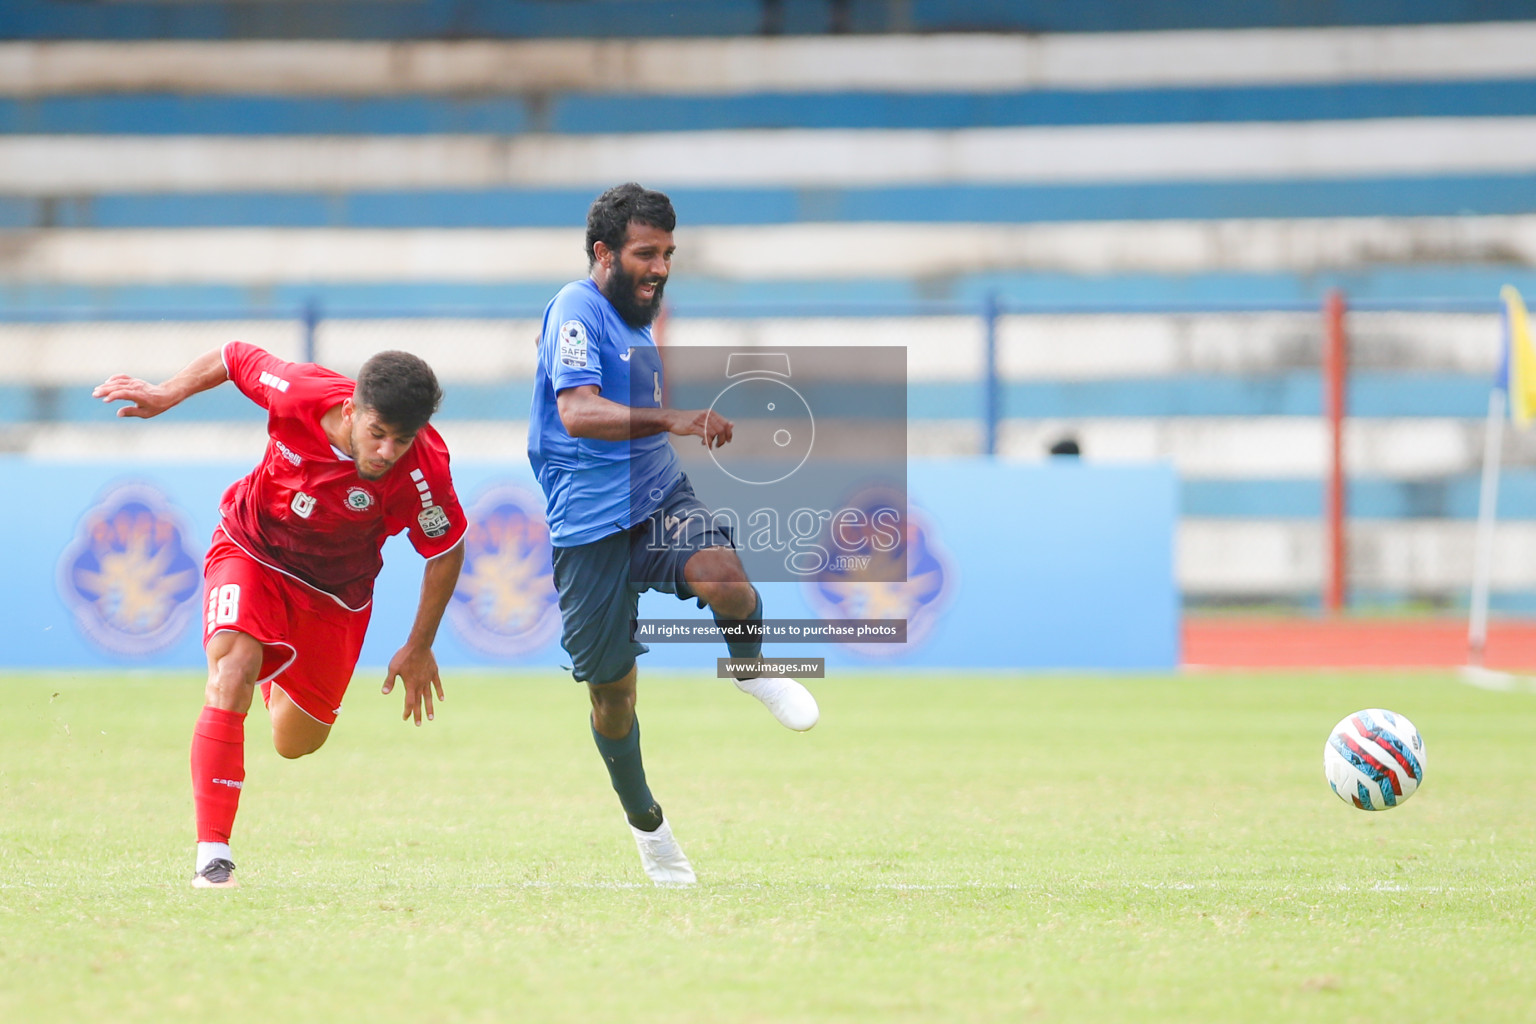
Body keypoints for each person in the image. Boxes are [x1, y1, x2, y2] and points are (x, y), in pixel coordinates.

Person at [93, 343, 467, 889]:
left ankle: (271, 664)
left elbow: (446, 549)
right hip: (252, 548)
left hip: (335, 594)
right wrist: (167, 391)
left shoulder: (424, 469)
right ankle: (212, 857)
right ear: (353, 410)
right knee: (231, 670)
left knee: (296, 742)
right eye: (378, 432)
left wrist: (420, 643)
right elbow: (232, 355)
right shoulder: (300, 392)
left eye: (402, 439)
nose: (388, 451)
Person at [529, 182, 819, 886]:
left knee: (727, 579)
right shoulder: (577, 308)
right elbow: (578, 414)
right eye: (645, 253)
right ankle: (648, 828)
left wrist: (669, 427)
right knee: (612, 698)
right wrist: (676, 419)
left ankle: (749, 668)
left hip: (654, 494)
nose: (660, 267)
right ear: (604, 253)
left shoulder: (641, 318)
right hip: (587, 528)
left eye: (668, 253)